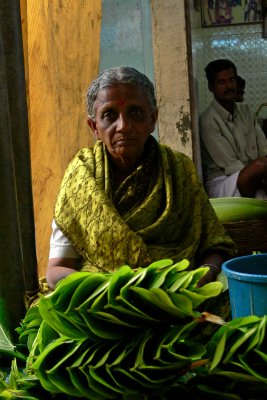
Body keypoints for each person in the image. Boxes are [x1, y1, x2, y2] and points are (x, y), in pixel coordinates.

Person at [46, 66, 236, 291]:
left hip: (178, 297)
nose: (123, 126)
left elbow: (215, 246)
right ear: (94, 126)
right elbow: (56, 270)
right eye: (109, 115)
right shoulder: (81, 177)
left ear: (152, 119)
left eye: (135, 112)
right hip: (101, 305)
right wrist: (115, 289)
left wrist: (202, 279)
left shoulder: (179, 170)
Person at [199, 59, 267, 199]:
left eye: (231, 80)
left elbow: (264, 149)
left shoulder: (246, 111)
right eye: (221, 82)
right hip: (223, 182)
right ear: (211, 87)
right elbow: (232, 166)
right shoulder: (207, 121)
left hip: (253, 174)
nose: (228, 86)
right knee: (259, 167)